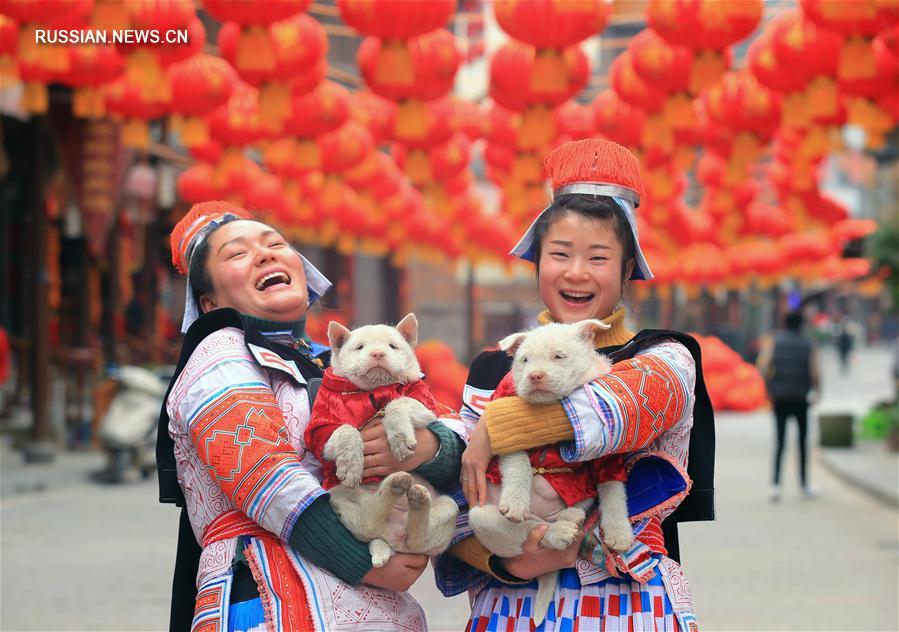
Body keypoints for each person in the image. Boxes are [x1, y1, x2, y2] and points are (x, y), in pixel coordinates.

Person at [435, 139, 715, 631]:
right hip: (511, 608)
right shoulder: (490, 368)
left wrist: (494, 426)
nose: (577, 273)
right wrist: (505, 561)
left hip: (631, 602)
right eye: (560, 254)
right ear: (537, 263)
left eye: (599, 258)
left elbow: (616, 409)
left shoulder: (666, 358)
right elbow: (461, 505)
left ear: (628, 268)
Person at [156, 201, 467, 631]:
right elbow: (265, 476)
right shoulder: (218, 354)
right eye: (237, 253)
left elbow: (448, 425)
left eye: (275, 243)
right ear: (208, 303)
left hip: (371, 603)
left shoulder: (336, 361)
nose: (265, 254)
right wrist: (362, 561)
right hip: (267, 592)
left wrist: (431, 448)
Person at [756, 309, 821, 502]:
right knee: (802, 441)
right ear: (801, 324)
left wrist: (768, 390)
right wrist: (817, 392)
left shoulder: (776, 342)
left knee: (780, 441)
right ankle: (804, 484)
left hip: (780, 397)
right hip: (801, 397)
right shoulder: (808, 343)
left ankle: (775, 485)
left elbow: (764, 366)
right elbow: (815, 371)